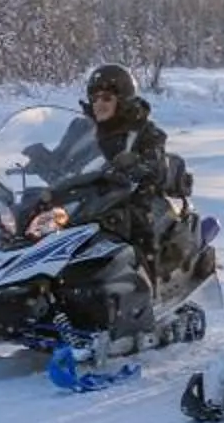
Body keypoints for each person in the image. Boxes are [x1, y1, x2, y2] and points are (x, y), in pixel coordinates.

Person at [76, 63, 188, 278]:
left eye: (107, 98)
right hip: (91, 196)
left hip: (132, 197)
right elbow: (65, 156)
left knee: (135, 223)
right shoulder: (82, 128)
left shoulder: (144, 130)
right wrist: (41, 157)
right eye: (95, 98)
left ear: (123, 100)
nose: (99, 104)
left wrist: (138, 164)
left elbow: (155, 165)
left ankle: (147, 288)